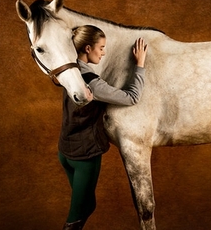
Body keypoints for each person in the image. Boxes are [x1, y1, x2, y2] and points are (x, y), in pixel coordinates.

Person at [59, 25, 147, 230]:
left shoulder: (68, 71)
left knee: (88, 205)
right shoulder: (92, 83)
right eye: (101, 48)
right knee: (75, 218)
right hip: (84, 157)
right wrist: (140, 65)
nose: (104, 52)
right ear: (88, 48)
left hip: (64, 152)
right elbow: (131, 97)